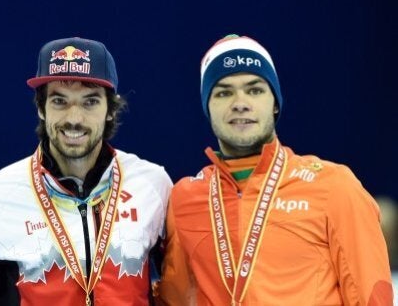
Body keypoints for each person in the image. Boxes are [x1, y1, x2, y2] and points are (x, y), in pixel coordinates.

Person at [157, 34, 394, 305]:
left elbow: (373, 296)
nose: (240, 102)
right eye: (223, 92)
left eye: (255, 89)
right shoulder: (184, 197)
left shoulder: (333, 185)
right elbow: (175, 298)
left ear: (276, 103)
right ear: (207, 108)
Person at [0, 37, 173, 305]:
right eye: (59, 101)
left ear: (110, 110)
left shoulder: (152, 184)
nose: (74, 118)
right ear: (40, 108)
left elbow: (178, 287)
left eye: (90, 102)